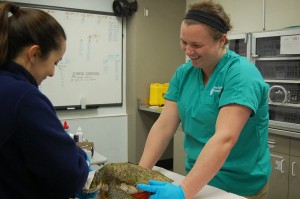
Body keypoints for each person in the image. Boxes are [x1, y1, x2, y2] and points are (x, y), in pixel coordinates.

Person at [137, 1, 271, 199]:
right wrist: (139, 174)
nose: (188, 51)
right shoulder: (184, 74)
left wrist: (183, 192)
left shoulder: (241, 74)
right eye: (184, 42)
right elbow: (164, 127)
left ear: (221, 40)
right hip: (197, 180)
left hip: (238, 187)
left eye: (197, 45)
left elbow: (225, 138)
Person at [0, 2, 91, 198]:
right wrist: (80, 158)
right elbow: (69, 176)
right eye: (55, 62)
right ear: (34, 54)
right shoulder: (25, 99)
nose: (52, 72)